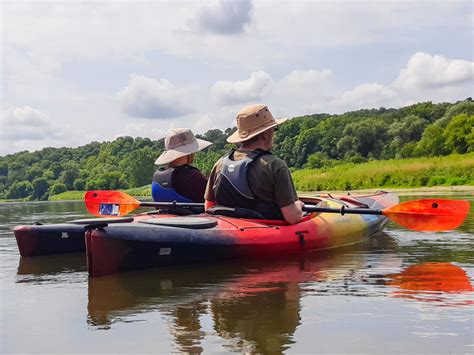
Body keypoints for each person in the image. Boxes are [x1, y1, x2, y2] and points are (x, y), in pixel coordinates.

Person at [204, 104, 304, 224]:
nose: (274, 133)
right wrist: (298, 205)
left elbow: (209, 207)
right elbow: (292, 217)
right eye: (274, 129)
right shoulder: (275, 165)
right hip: (266, 233)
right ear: (265, 134)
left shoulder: (220, 164)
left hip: (228, 230)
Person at [152, 128, 212, 203]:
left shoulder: (157, 177)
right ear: (190, 153)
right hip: (192, 213)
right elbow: (211, 201)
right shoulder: (193, 176)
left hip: (164, 213)